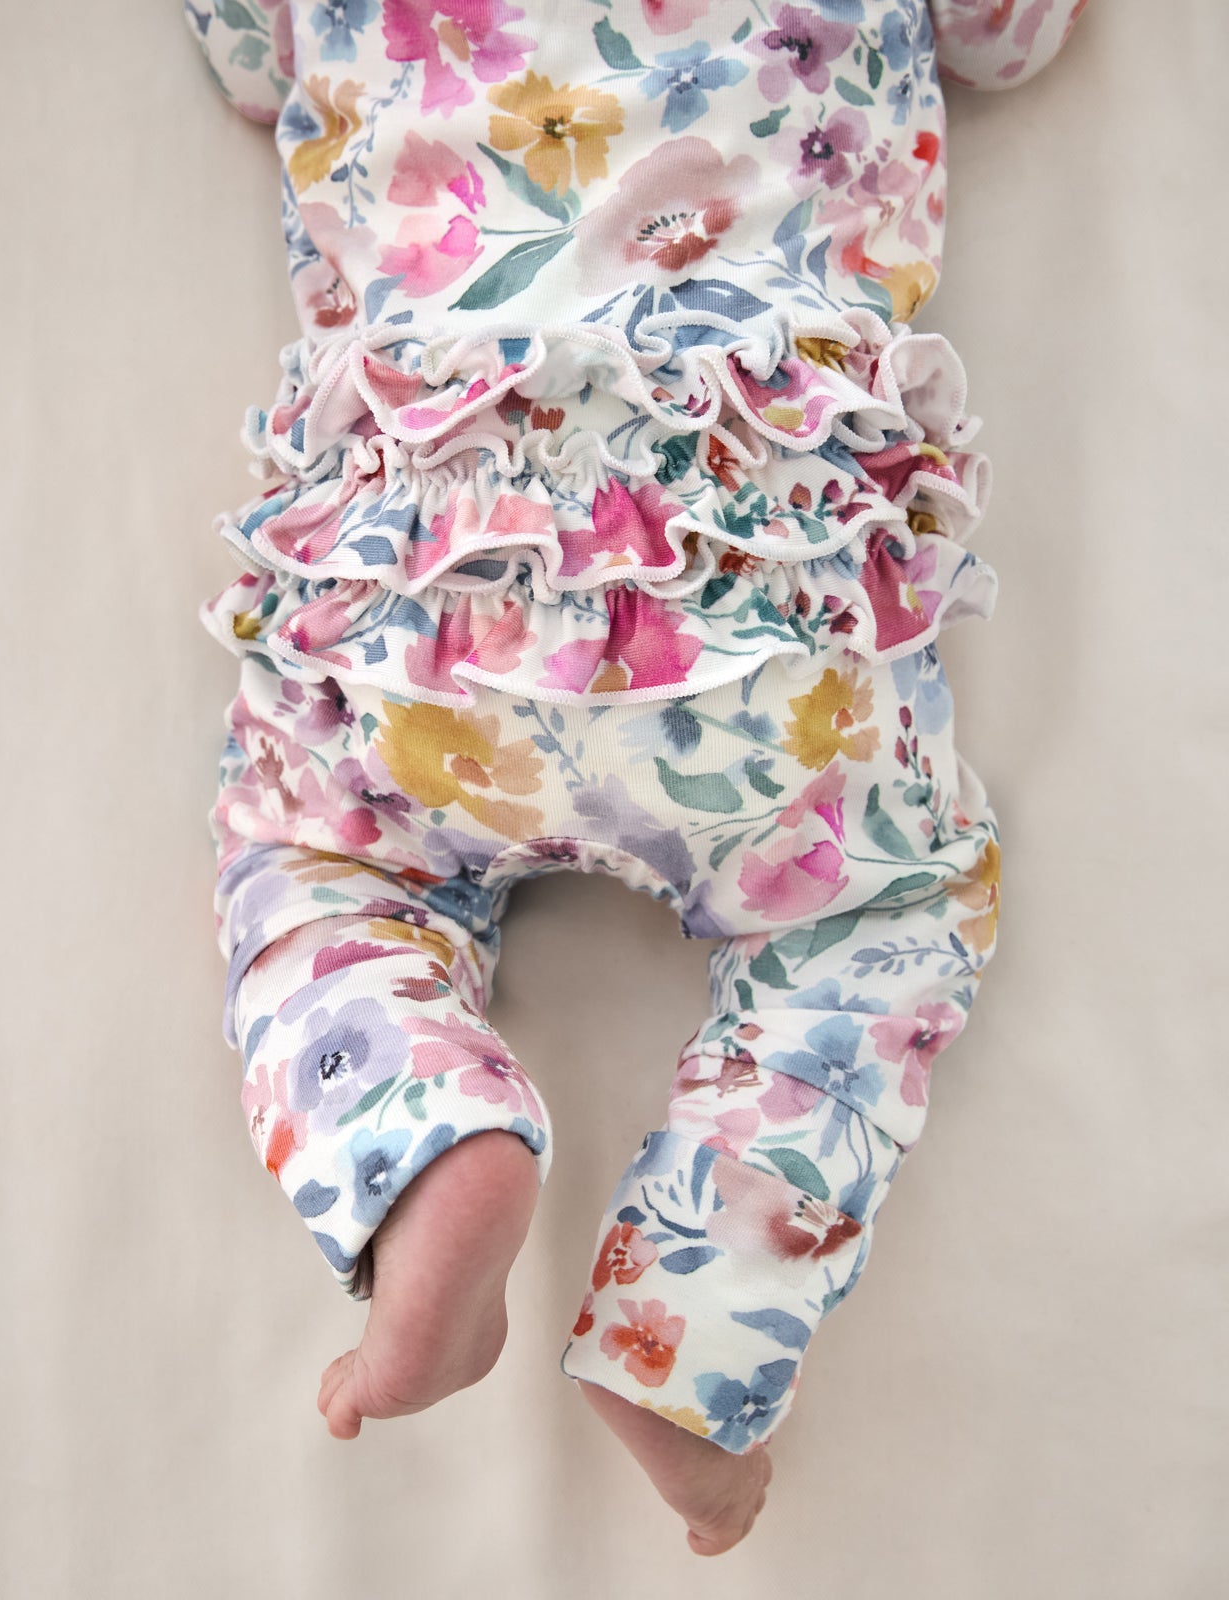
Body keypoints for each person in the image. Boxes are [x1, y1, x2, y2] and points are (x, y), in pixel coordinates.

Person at [186, 0, 1087, 1556]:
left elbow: (251, 68)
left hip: (427, 574)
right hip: (756, 566)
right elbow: (1016, 43)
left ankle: (418, 1130)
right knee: (881, 920)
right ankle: (693, 1318)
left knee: (317, 876)